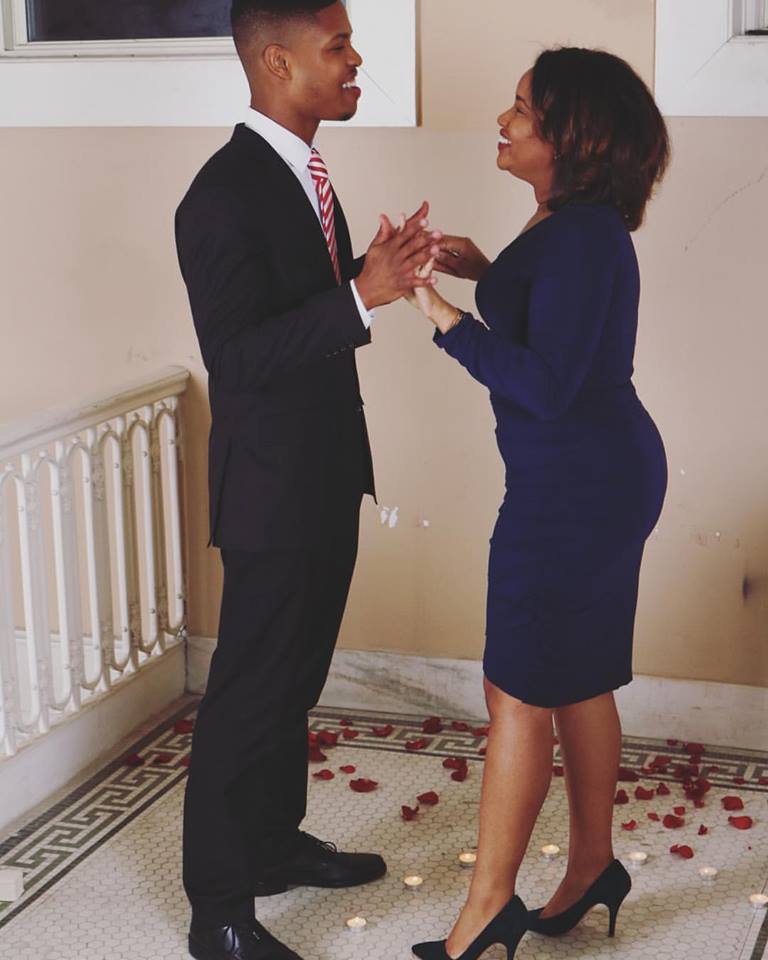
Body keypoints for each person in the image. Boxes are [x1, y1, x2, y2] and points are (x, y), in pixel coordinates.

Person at [174, 2, 439, 958]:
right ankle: (218, 911)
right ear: (279, 62)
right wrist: (360, 294)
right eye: (339, 46)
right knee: (249, 693)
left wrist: (374, 274)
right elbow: (238, 359)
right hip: (271, 490)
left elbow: (303, 313)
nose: (356, 59)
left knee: (295, 681)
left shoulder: (302, 174)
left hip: (325, 473)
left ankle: (272, 845)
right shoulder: (220, 195)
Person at [404, 47, 670, 960]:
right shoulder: (569, 225)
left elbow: (546, 385)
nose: (504, 120)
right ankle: (591, 864)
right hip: (592, 478)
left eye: (523, 109)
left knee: (517, 688)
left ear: (571, 136)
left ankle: (487, 911)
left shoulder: (583, 234)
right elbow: (555, 319)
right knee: (577, 674)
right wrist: (486, 271)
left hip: (575, 490)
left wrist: (442, 316)